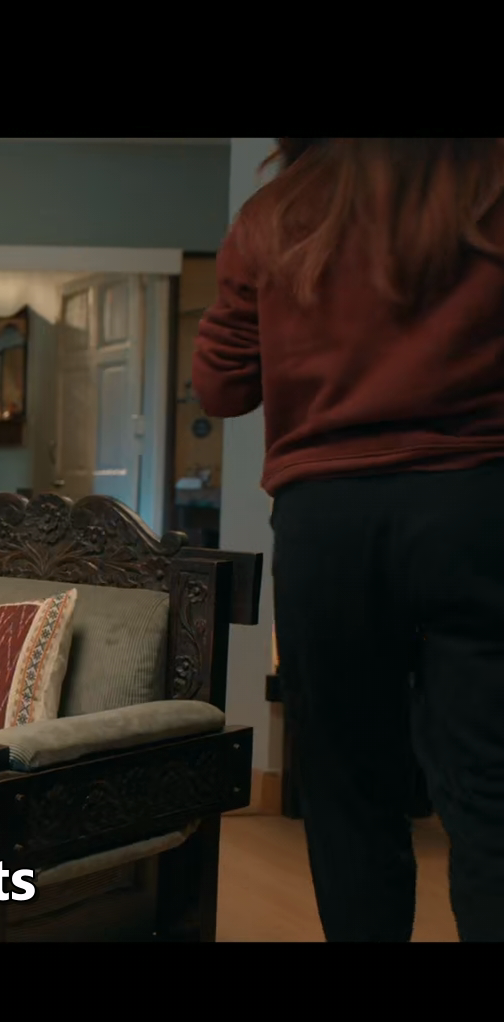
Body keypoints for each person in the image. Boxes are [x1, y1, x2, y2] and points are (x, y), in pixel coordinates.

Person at [194, 138, 504, 942]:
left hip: (329, 524)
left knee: (347, 791)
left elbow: (221, 385)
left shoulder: (278, 212)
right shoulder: (491, 180)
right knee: (491, 787)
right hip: (479, 505)